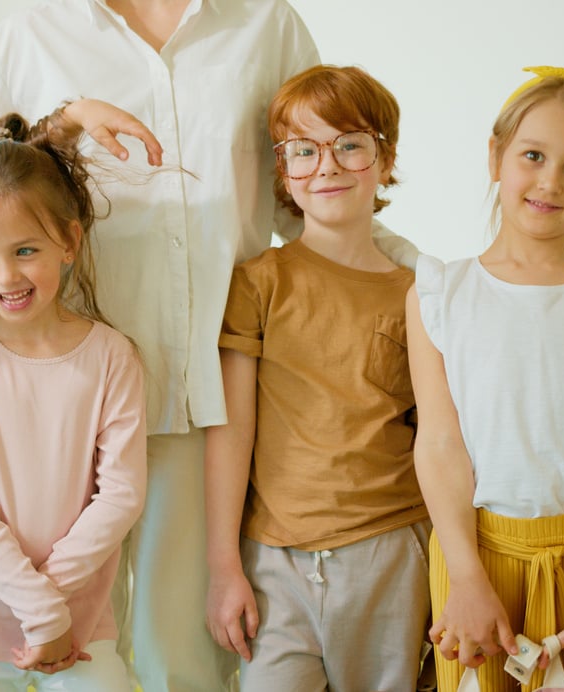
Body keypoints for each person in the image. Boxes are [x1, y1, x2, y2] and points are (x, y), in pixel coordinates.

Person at [0, 4, 415, 689]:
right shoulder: (35, 31)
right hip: (58, 406)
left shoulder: (266, 23)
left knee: (181, 657)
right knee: (56, 641)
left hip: (204, 396)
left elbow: (307, 182)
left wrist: (419, 273)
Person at [405, 65, 564, 692]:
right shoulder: (441, 294)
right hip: (474, 557)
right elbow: (438, 443)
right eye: (533, 155)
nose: (550, 181)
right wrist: (465, 579)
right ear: (496, 156)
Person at [203, 65, 430, 692]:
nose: (326, 166)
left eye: (349, 144)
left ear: (384, 161)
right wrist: (225, 564)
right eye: (304, 150)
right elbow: (232, 430)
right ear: (284, 171)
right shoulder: (257, 283)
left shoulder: (418, 294)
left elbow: (438, 436)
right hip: (273, 563)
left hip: (389, 552)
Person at [0, 112, 146, 691]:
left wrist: (52, 605)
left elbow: (121, 494)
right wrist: (40, 608)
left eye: (25, 250)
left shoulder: (112, 356)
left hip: (82, 618)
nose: (5, 276)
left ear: (69, 241)